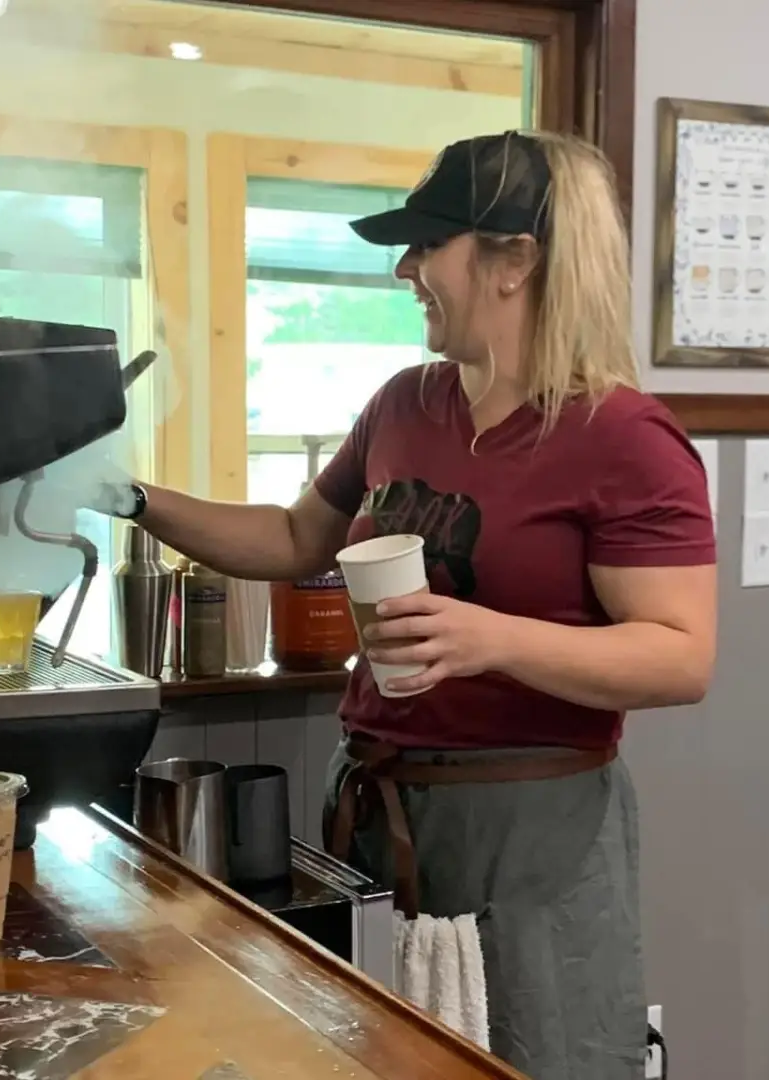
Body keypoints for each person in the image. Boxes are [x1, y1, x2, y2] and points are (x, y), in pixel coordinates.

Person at [102, 130, 716, 1078]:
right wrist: (133, 500)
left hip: (532, 828)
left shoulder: (624, 436)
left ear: (515, 260)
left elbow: (681, 656)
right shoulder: (404, 404)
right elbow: (296, 538)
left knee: (535, 1058)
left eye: (429, 246)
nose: (405, 270)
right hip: (383, 805)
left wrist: (492, 639)